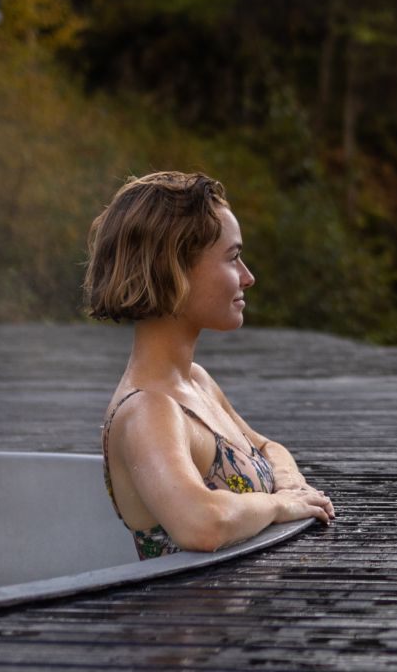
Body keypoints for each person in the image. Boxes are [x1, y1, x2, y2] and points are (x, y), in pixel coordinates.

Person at [88, 172, 334, 558]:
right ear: (175, 271)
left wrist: (289, 484)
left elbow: (269, 448)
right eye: (233, 257)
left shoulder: (195, 382)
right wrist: (279, 505)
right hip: (183, 618)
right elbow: (200, 524)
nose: (248, 277)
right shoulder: (148, 410)